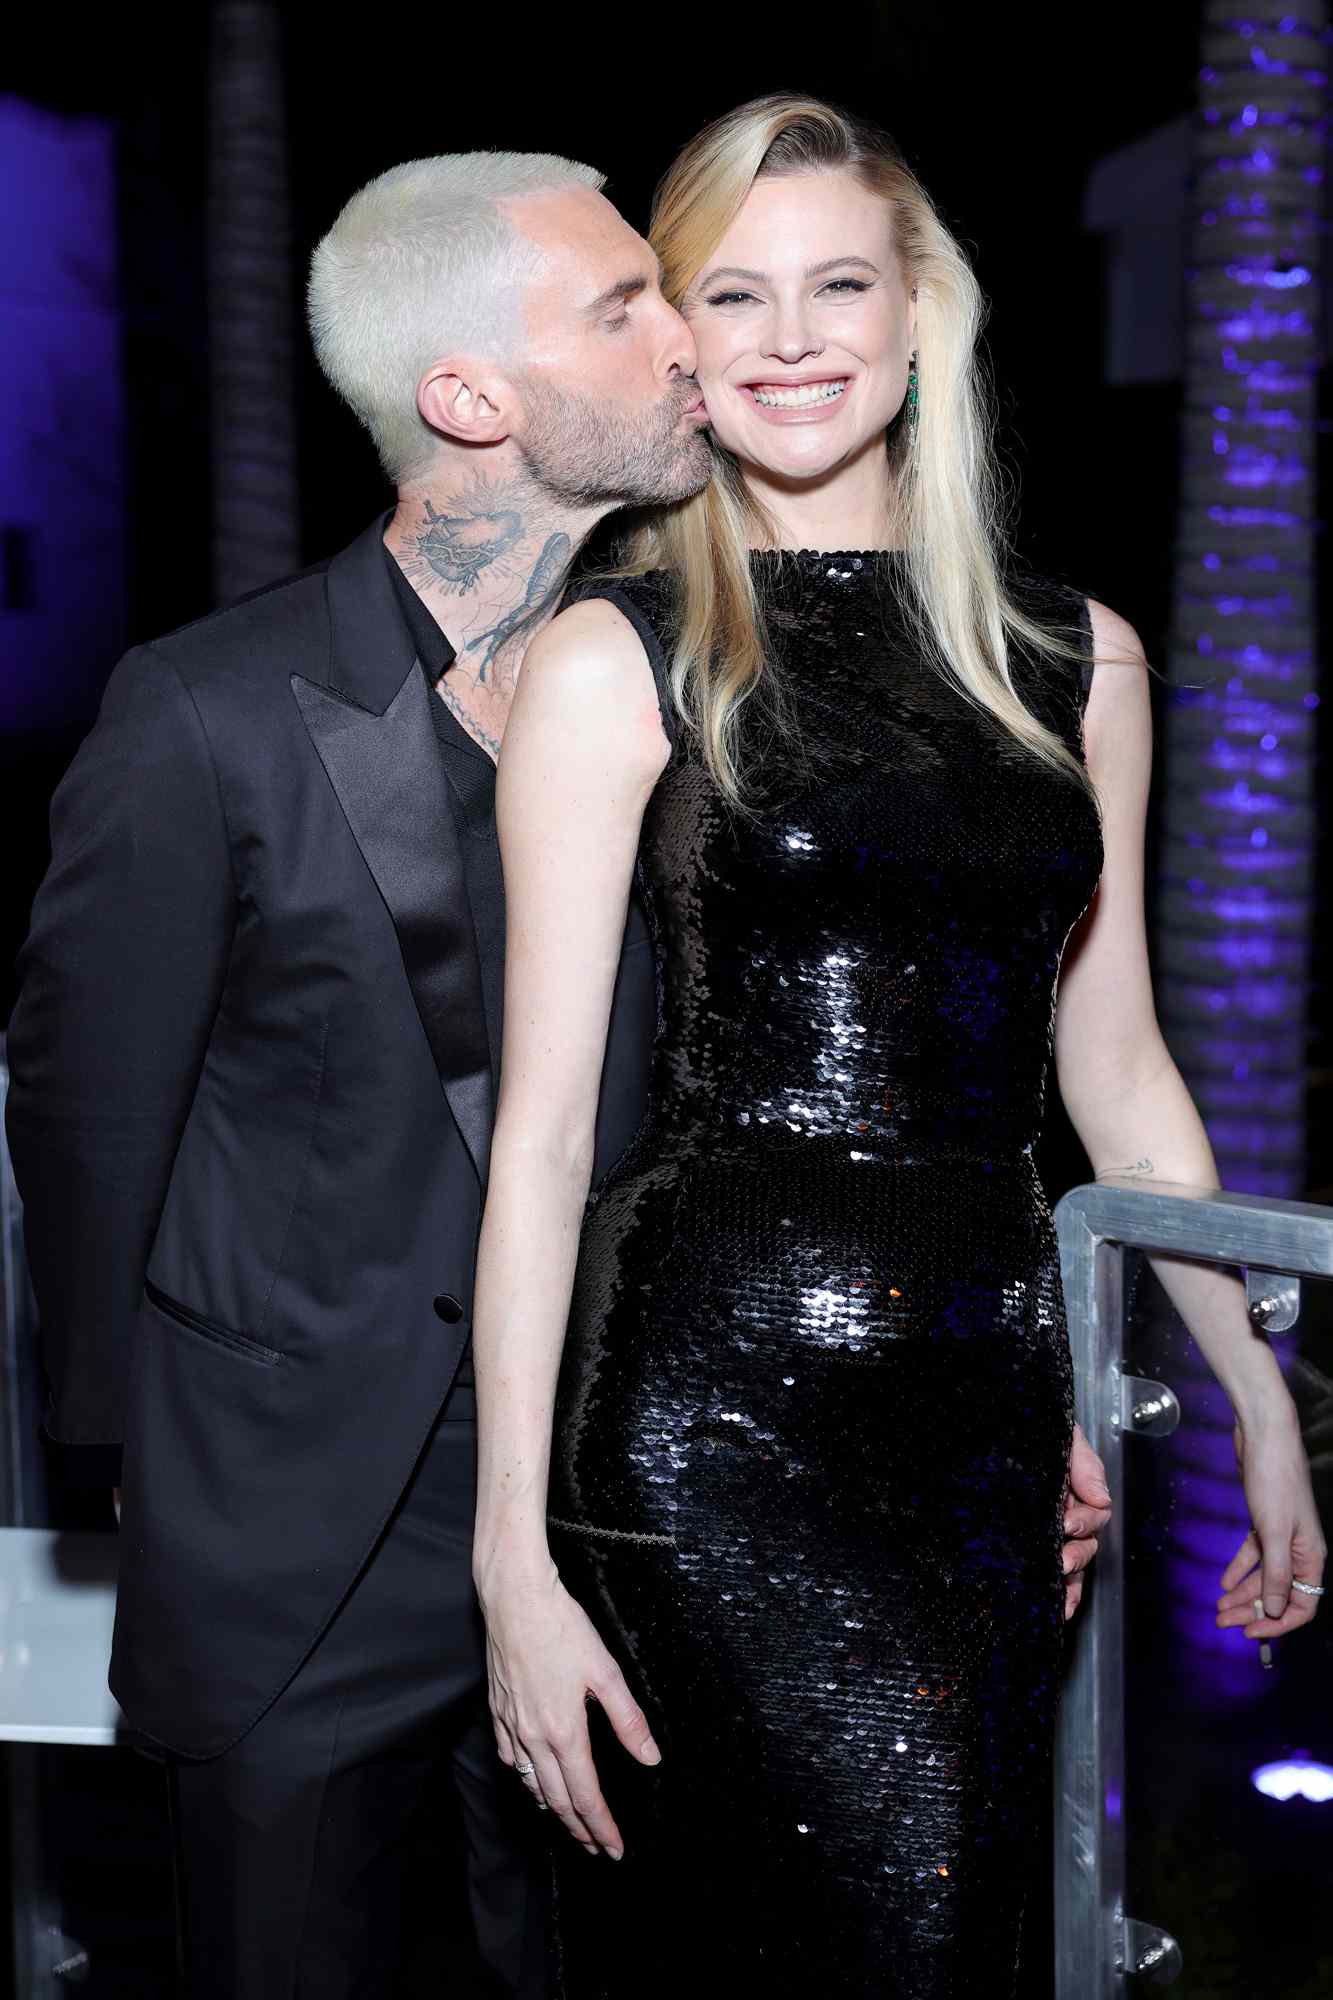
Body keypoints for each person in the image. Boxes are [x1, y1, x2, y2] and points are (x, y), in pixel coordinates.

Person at [469, 96, 1326, 1997]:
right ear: (678, 340)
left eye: (837, 285)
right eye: (736, 295)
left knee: (949, 1937)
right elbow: (536, 1145)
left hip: (980, 1407)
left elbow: (1117, 1076)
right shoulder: (618, 659)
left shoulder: (1074, 662)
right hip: (702, 1419)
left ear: (918, 310)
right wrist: (513, 1565)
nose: (791, 339)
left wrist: (1257, 1394)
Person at [4, 148, 715, 1999]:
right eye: (622, 308)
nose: (688, 340)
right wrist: (140, 1471)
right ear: (469, 398)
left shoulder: (691, 694)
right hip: (300, 1540)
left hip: (607, 1517)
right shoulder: (206, 712)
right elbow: (86, 1124)